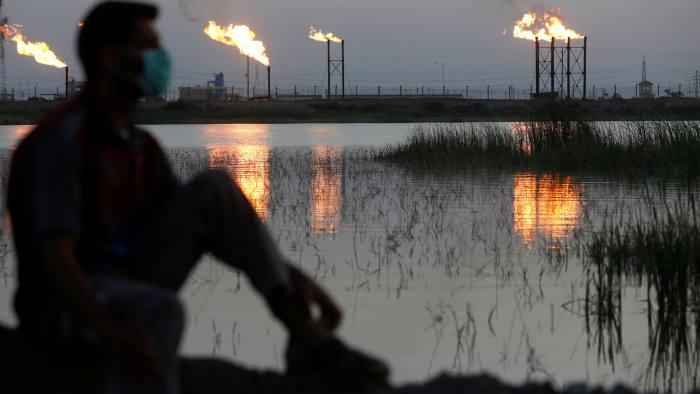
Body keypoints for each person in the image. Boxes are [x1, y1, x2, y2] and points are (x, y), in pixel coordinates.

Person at [6, 2, 389, 393]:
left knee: (214, 190)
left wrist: (290, 275)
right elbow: (57, 259)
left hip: (126, 279)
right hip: (63, 307)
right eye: (148, 47)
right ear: (110, 58)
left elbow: (202, 224)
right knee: (162, 310)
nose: (161, 59)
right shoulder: (61, 142)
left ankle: (306, 335)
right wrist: (109, 330)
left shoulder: (140, 146)